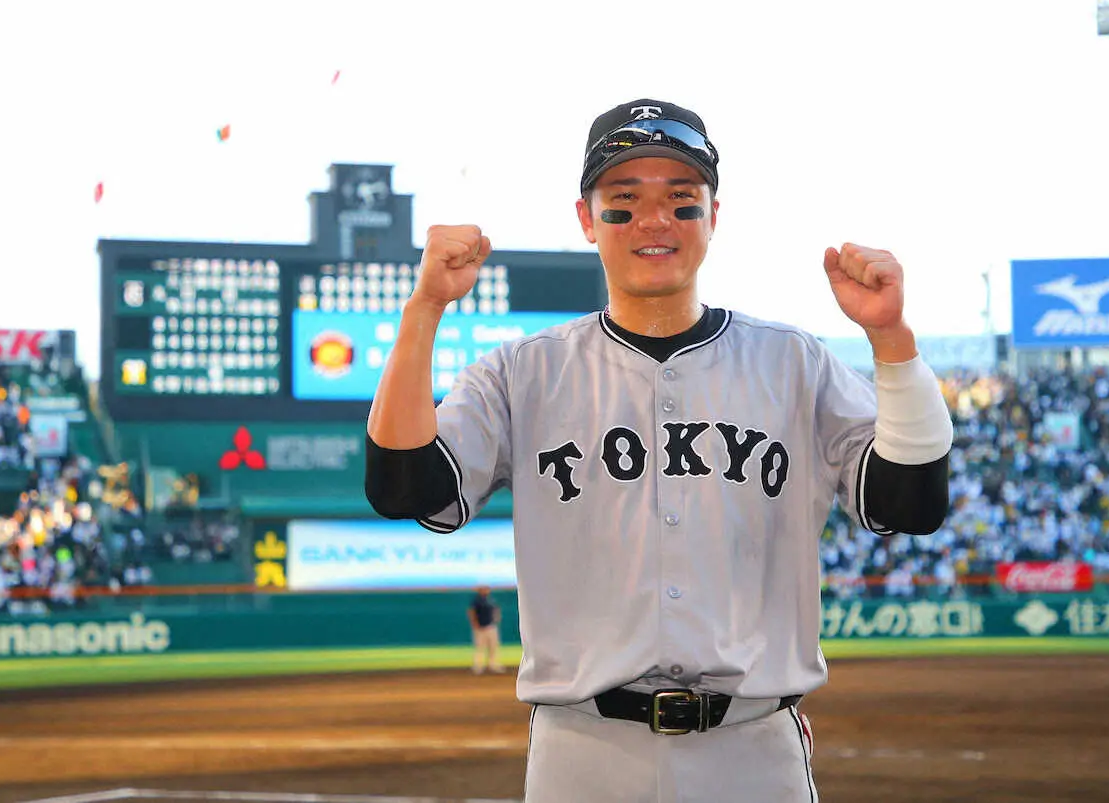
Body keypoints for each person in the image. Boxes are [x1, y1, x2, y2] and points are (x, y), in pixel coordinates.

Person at [365, 98, 953, 802]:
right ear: (586, 218)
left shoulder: (794, 363)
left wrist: (891, 339)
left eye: (681, 200)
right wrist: (422, 308)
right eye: (624, 200)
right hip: (582, 753)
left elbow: (911, 501)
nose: (654, 221)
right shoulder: (524, 372)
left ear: (713, 214)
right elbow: (405, 486)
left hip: (753, 751)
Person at [468, 584, 504, 674]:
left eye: (487, 589)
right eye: (483, 589)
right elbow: (471, 612)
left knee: (493, 647)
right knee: (480, 647)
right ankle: (478, 666)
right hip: (480, 628)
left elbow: (497, 610)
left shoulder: (491, 600)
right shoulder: (476, 601)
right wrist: (475, 624)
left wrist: (496, 619)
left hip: (491, 627)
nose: (486, 590)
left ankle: (493, 665)